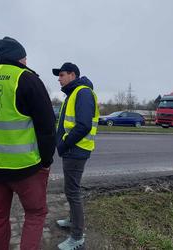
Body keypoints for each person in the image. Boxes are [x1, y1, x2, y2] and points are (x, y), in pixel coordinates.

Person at [0, 36, 56, 250]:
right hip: (26, 168)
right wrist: (45, 161)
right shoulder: (27, 79)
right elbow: (47, 127)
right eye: (25, 58)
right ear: (20, 58)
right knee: (35, 213)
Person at [53, 62, 99, 250]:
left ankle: (77, 237)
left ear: (73, 74)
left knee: (73, 192)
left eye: (62, 74)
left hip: (76, 150)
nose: (59, 78)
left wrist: (64, 144)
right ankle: (73, 221)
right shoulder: (74, 93)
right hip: (73, 149)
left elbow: (83, 125)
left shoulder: (83, 93)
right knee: (71, 190)